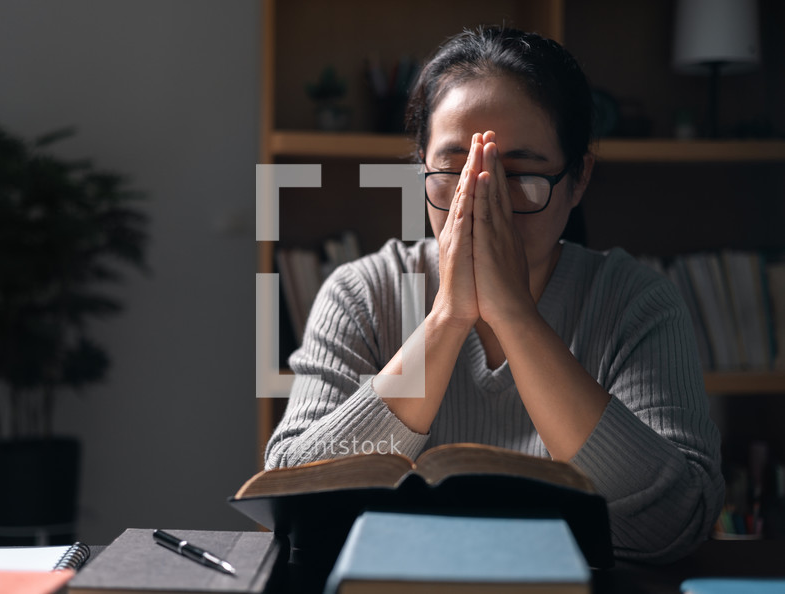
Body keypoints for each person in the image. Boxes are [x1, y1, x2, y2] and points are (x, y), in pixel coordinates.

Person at [264, 26, 724, 563]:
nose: (482, 199)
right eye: (453, 171)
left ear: (577, 181)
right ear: (420, 170)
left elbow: (674, 522)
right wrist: (445, 321)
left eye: (522, 174)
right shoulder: (362, 293)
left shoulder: (636, 302)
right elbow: (295, 503)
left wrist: (515, 317)